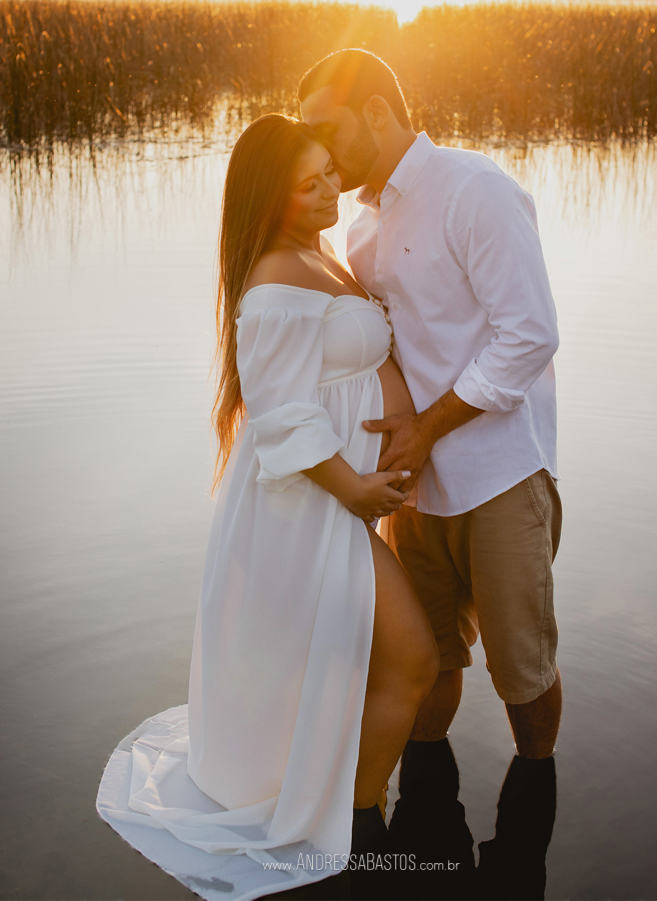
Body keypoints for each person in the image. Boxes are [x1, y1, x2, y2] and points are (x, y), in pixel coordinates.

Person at [96, 114, 439, 901]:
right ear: (269, 198)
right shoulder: (277, 278)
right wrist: (354, 488)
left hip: (331, 505)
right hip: (308, 508)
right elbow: (279, 410)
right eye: (308, 183)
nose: (330, 190)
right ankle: (355, 825)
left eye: (330, 172)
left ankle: (341, 801)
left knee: (335, 664)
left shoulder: (315, 253)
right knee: (413, 659)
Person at [299, 49, 562, 886]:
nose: (319, 151)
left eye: (326, 128)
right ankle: (421, 852)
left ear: (377, 111)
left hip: (500, 475)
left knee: (520, 672)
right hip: (413, 489)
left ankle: (523, 848)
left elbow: (530, 335)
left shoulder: (473, 189)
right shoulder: (359, 229)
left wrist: (428, 428)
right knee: (430, 660)